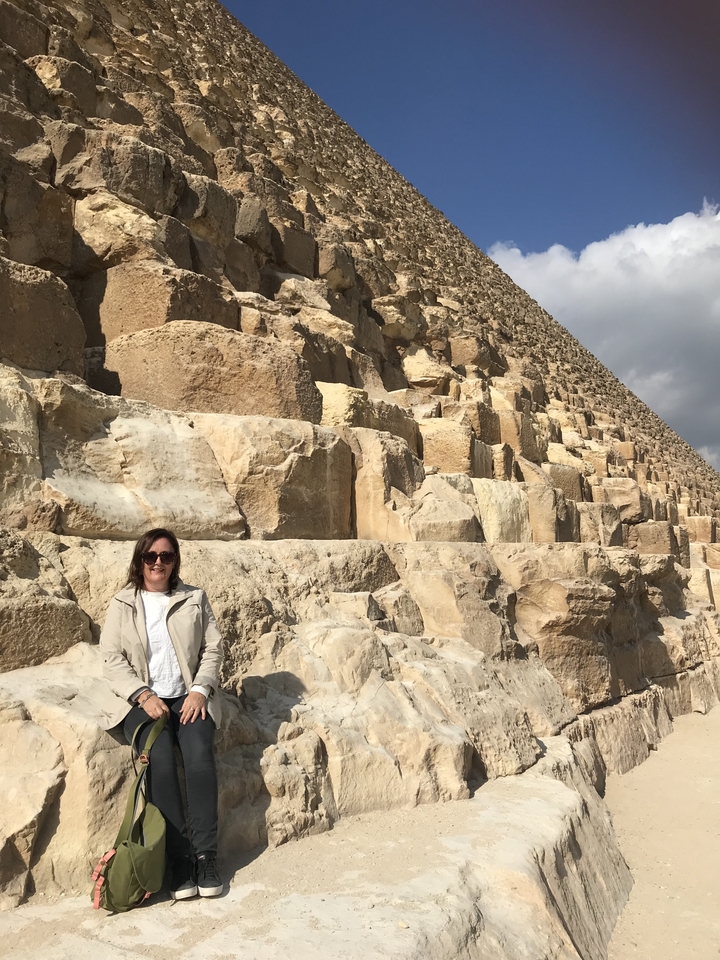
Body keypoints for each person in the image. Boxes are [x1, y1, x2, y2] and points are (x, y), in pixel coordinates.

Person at [99, 527, 224, 900]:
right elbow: (111, 659)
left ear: (175, 561)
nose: (158, 563)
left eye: (166, 556)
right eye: (151, 556)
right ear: (140, 560)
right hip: (141, 701)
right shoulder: (123, 603)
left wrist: (200, 691)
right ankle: (179, 857)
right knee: (161, 762)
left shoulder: (194, 598)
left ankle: (206, 855)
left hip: (188, 698)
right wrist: (142, 694)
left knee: (200, 758)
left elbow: (213, 649)